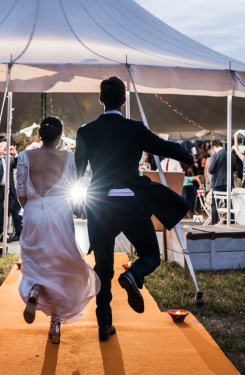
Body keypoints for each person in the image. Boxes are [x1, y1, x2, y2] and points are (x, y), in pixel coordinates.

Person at [75, 76, 193, 342]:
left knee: (102, 267)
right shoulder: (135, 129)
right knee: (151, 254)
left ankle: (104, 326)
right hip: (130, 201)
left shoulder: (86, 131)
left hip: (100, 204)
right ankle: (133, 274)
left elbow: (77, 172)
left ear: (100, 100)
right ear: (125, 100)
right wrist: (188, 157)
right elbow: (164, 147)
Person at [18, 117, 100, 344]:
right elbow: (76, 185)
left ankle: (34, 290)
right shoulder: (70, 158)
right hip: (59, 212)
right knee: (60, 267)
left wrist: (34, 210)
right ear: (60, 136)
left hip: (33, 211)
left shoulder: (25, 157)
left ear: (39, 135)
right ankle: (55, 323)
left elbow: (21, 193)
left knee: (36, 261)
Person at [0, 141, 19, 242]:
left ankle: (2, 235)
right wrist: (0, 154)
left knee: (6, 213)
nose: (4, 149)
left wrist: (14, 154)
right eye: (2, 147)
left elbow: (18, 164)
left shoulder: (10, 158)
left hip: (9, 189)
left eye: (6, 147)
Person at [206, 140, 227, 225]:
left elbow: (211, 170)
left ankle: (214, 224)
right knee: (229, 204)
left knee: (214, 205)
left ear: (214, 147)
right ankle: (232, 222)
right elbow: (235, 168)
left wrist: (209, 167)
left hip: (217, 183)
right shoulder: (230, 155)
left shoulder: (215, 156)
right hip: (228, 183)